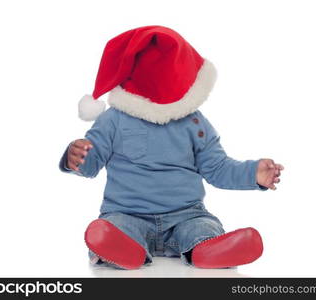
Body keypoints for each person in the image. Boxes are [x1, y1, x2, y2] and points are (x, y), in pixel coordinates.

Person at [59, 25, 284, 270]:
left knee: (203, 227)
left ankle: (209, 249)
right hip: (127, 214)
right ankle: (119, 249)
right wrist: (77, 156)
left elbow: (217, 168)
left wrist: (252, 174)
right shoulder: (113, 119)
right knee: (112, 228)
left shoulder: (195, 122)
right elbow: (91, 164)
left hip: (186, 215)